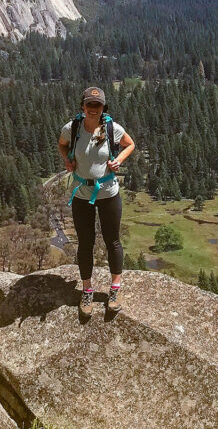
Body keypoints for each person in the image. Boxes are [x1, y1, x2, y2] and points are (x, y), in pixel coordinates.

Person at [58, 86, 136, 315]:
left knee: (113, 241)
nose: (93, 109)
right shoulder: (72, 128)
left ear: (103, 108)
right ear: (82, 106)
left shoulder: (113, 128)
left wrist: (118, 160)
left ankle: (115, 288)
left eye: (97, 105)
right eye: (89, 105)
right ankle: (87, 290)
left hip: (109, 192)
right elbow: (62, 144)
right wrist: (67, 160)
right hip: (82, 194)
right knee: (85, 243)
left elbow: (130, 144)